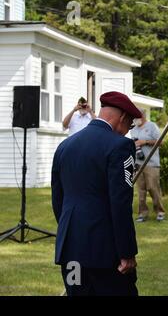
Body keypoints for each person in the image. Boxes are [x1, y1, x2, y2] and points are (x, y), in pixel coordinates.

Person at [51, 91, 140, 296]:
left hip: (70, 249)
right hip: (105, 252)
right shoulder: (120, 145)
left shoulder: (65, 146)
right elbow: (120, 204)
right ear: (123, 118)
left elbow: (58, 200)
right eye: (130, 124)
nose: (128, 130)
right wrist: (127, 252)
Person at [130, 108, 166, 222]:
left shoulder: (152, 126)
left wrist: (145, 142)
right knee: (141, 190)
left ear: (143, 116)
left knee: (153, 188)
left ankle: (160, 212)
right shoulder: (133, 130)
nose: (135, 119)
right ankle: (142, 214)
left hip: (151, 163)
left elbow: (161, 142)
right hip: (138, 163)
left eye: (137, 116)